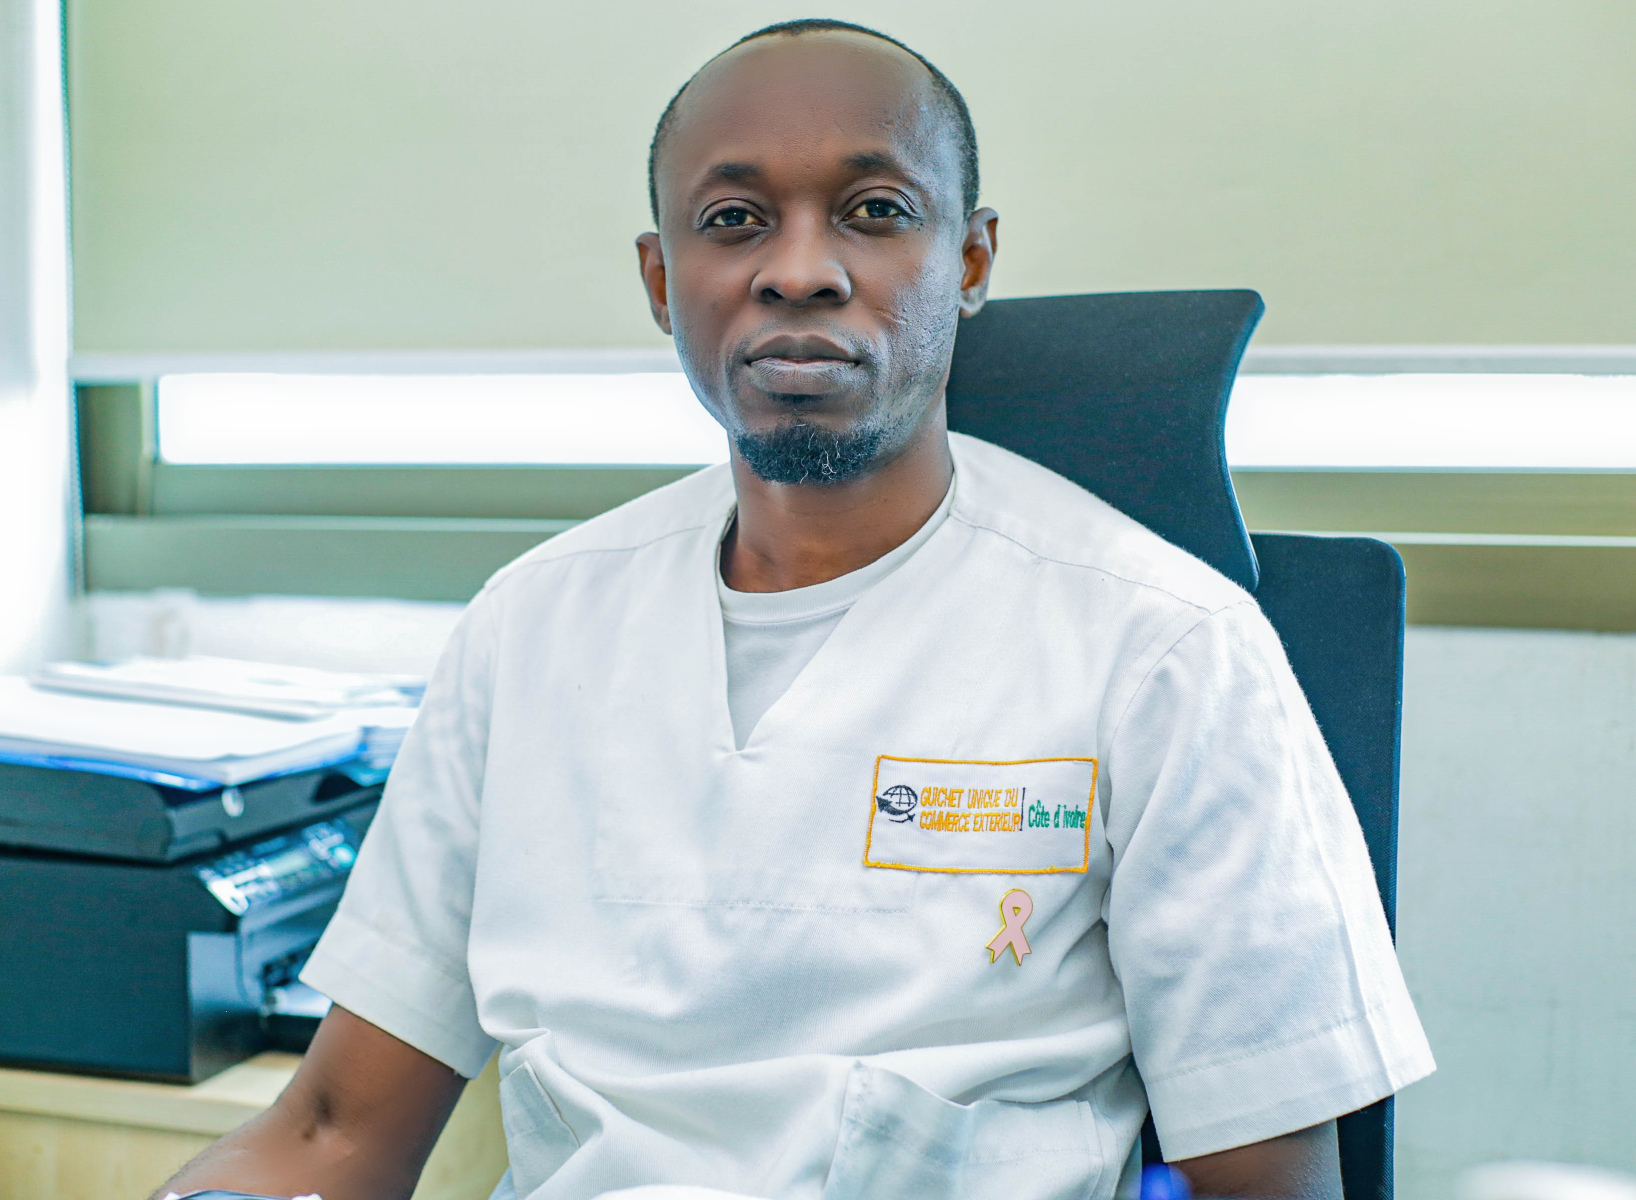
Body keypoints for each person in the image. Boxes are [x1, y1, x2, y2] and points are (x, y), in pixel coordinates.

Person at [153, 19, 1433, 1200]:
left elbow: (1264, 1186)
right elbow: (331, 1133)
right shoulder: (528, 628)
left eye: (875, 212)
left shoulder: (1164, 647)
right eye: (734, 220)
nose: (801, 270)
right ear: (662, 280)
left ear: (969, 259)